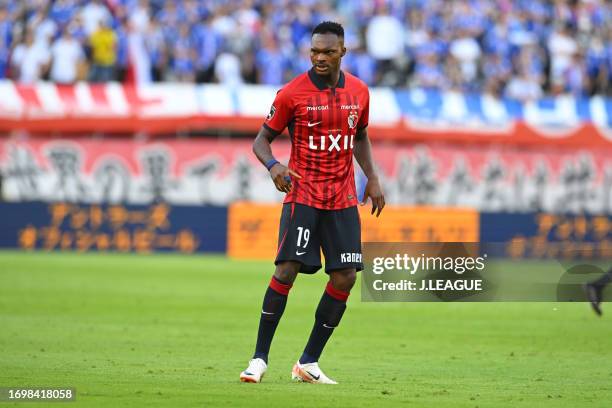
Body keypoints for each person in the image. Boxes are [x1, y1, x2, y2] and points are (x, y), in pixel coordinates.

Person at [239, 21, 385, 385]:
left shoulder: (360, 92)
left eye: (328, 52)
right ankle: (258, 359)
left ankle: (309, 362)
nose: (319, 58)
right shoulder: (292, 93)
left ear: (343, 52)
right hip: (303, 194)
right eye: (314, 52)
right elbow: (261, 140)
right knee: (286, 270)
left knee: (346, 277)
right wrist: (273, 166)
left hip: (342, 197)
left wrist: (374, 177)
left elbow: (360, 136)